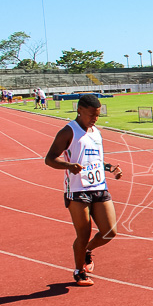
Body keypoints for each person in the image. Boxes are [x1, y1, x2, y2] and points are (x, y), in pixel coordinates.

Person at [44, 94, 123, 287]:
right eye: (91, 115)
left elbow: (94, 159)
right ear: (79, 110)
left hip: (99, 187)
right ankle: (79, 271)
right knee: (83, 233)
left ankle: (87, 251)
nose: (95, 119)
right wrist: (68, 165)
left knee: (110, 232)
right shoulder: (68, 132)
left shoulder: (96, 132)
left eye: (97, 115)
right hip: (78, 191)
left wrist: (109, 167)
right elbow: (50, 158)